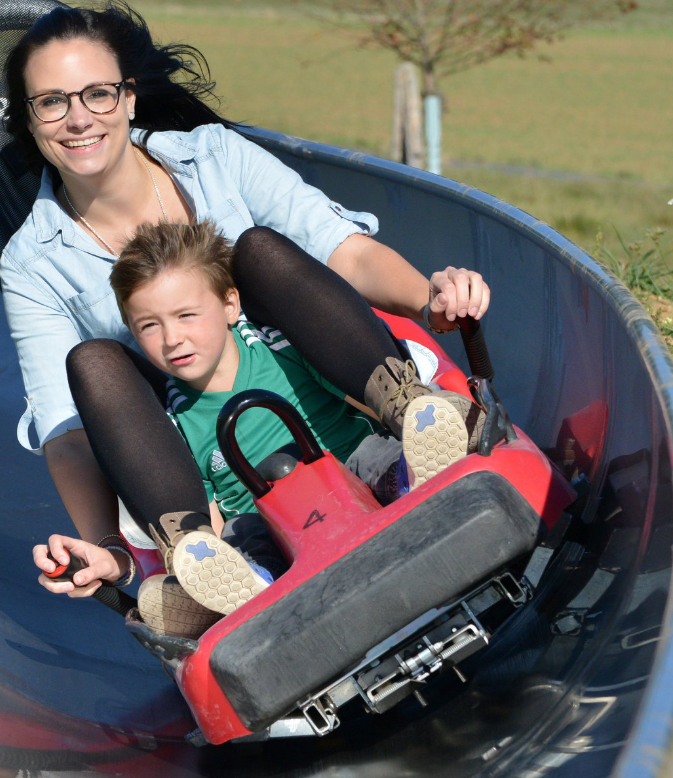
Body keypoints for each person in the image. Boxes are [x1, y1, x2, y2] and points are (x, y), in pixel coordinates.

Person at [0, 2, 491, 629]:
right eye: (51, 102)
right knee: (91, 361)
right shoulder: (33, 262)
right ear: (31, 118)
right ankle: (200, 560)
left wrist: (430, 296)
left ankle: (415, 420)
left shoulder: (212, 158)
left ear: (127, 98)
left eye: (96, 94)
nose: (77, 119)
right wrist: (108, 546)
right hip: (199, 454)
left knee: (255, 248)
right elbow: (67, 429)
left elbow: (343, 250)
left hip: (319, 381)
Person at [106, 219, 483, 635]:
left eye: (187, 316)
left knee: (372, 454)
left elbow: (356, 390)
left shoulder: (276, 345)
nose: (173, 338)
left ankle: (413, 472)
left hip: (345, 468)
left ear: (230, 305)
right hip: (270, 524)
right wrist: (206, 557)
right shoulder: (172, 422)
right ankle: (246, 586)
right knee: (240, 534)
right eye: (149, 326)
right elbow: (209, 518)